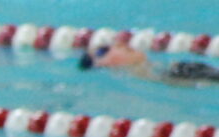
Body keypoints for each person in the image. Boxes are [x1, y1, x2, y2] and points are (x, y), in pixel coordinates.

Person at [80, 42, 219, 84]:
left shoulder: (163, 69)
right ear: (100, 64)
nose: (120, 45)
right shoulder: (169, 74)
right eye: (103, 51)